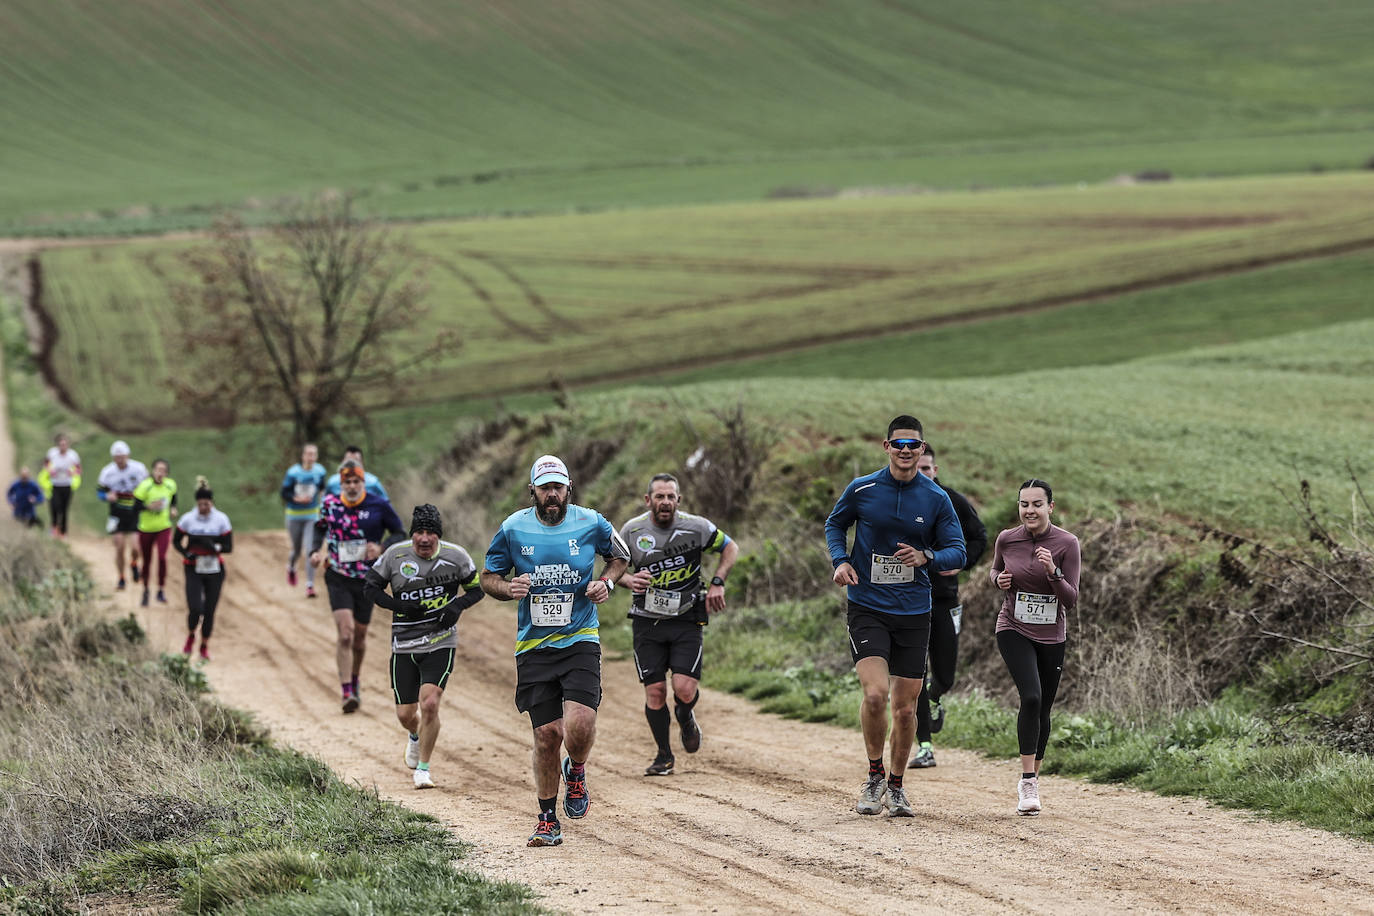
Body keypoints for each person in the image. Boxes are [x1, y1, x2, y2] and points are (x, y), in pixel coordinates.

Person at [481, 455, 629, 848]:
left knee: (579, 726)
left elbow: (621, 556)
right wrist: (507, 588)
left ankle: (576, 769)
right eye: (545, 488)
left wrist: (606, 583)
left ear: (569, 488)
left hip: (580, 638)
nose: (552, 495)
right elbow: (488, 576)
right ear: (532, 490)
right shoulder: (513, 528)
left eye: (558, 488)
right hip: (533, 646)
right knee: (547, 734)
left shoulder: (592, 522)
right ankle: (547, 820)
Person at [825, 415, 965, 818]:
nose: (906, 451)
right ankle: (874, 776)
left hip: (914, 611)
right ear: (886, 446)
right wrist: (840, 560)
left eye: (913, 445)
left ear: (922, 449)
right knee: (874, 695)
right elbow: (835, 524)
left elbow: (958, 550)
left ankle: (897, 785)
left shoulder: (936, 498)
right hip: (868, 605)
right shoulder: (863, 488)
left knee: (905, 709)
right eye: (899, 444)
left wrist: (928, 556)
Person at [618, 473, 739, 776]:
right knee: (655, 691)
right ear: (648, 500)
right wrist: (630, 580)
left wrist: (718, 582)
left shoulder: (696, 527)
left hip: (687, 616)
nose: (665, 502)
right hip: (646, 620)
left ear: (678, 500)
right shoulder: (631, 531)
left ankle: (685, 716)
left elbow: (730, 548)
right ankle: (664, 756)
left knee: (683, 689)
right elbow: (613, 569)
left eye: (671, 497)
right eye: (659, 496)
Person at [364, 504, 485, 789]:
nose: (425, 538)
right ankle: (415, 735)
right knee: (406, 714)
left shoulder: (456, 556)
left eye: (431, 532)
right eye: (419, 532)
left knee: (430, 703)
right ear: (412, 534)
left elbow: (477, 589)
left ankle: (423, 769)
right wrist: (399, 605)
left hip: (441, 641)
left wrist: (456, 606)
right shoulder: (395, 556)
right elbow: (370, 588)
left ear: (438, 536)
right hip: (404, 644)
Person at [990, 478, 1080, 817]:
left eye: (1037, 504)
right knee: (1030, 696)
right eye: (1024, 504)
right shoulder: (1006, 538)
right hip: (1013, 627)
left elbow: (1070, 599)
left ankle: (1034, 779)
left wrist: (1053, 571)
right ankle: (1027, 781)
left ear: (1050, 507)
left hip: (1052, 635)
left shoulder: (1067, 543)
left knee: (1043, 708)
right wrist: (998, 580)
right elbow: (994, 571)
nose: (1030, 510)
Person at [908, 444, 987, 769]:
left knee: (946, 674)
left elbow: (979, 537)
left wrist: (961, 563)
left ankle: (936, 695)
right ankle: (924, 746)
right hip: (909, 601)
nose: (922, 473)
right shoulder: (900, 500)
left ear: (935, 470)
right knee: (915, 674)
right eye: (918, 468)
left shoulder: (952, 500)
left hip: (945, 599)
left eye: (927, 468)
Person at [310, 459, 406, 713]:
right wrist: (314, 551)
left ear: (363, 483)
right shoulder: (330, 504)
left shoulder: (378, 504)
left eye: (356, 482)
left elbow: (399, 533)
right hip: (337, 575)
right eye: (347, 482)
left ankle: (354, 679)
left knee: (360, 638)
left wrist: (382, 547)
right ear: (341, 485)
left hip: (368, 579)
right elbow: (319, 529)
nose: (352, 486)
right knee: (346, 633)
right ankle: (346, 692)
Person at [173, 477, 233, 662]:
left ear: (212, 503)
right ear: (196, 503)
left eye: (206, 504)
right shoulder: (188, 519)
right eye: (200, 504)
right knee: (195, 608)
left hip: (215, 570)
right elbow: (176, 541)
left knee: (209, 610)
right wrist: (186, 553)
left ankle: (204, 645)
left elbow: (229, 547)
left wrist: (213, 546)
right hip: (193, 569)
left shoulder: (221, 520)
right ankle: (191, 634)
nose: (203, 507)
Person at [96, 441, 149, 590]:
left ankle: (134, 563)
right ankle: (121, 577)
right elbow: (99, 492)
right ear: (113, 457)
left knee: (136, 548)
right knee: (119, 547)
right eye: (117, 457)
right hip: (116, 514)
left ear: (128, 456)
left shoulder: (139, 469)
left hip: (134, 513)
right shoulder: (107, 472)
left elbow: (149, 486)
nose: (120, 460)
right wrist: (107, 496)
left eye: (122, 457)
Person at [281, 443, 327, 598]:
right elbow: (284, 493)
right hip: (294, 515)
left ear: (316, 456)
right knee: (296, 549)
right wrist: (297, 499)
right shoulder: (293, 473)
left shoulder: (320, 471)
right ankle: (291, 567)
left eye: (313, 454)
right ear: (303, 456)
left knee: (309, 550)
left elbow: (322, 489)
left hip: (312, 516)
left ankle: (310, 585)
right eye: (308, 454)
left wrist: (323, 503)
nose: (311, 457)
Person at [132, 459, 178, 607]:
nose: (160, 473)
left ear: (167, 473)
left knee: (162, 557)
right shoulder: (145, 486)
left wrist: (173, 509)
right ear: (153, 471)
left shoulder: (170, 485)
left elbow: (173, 499)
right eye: (158, 469)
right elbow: (135, 507)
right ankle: (145, 590)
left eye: (163, 470)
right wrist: (148, 507)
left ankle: (161, 589)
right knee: (147, 560)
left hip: (163, 527)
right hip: (146, 528)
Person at [43, 434, 81, 537]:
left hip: (67, 484)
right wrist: (50, 470)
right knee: (55, 506)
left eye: (64, 444)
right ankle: (54, 528)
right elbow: (45, 464)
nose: (63, 447)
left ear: (68, 445)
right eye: (61, 444)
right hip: (55, 484)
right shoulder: (52, 453)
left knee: (64, 508)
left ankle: (63, 532)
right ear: (58, 445)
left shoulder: (73, 455)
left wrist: (73, 473)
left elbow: (78, 469)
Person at [324, 445, 389, 501]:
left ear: (362, 463)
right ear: (343, 461)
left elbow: (385, 502)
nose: (352, 464)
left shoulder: (373, 482)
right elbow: (325, 502)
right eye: (349, 460)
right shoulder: (333, 482)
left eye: (356, 460)